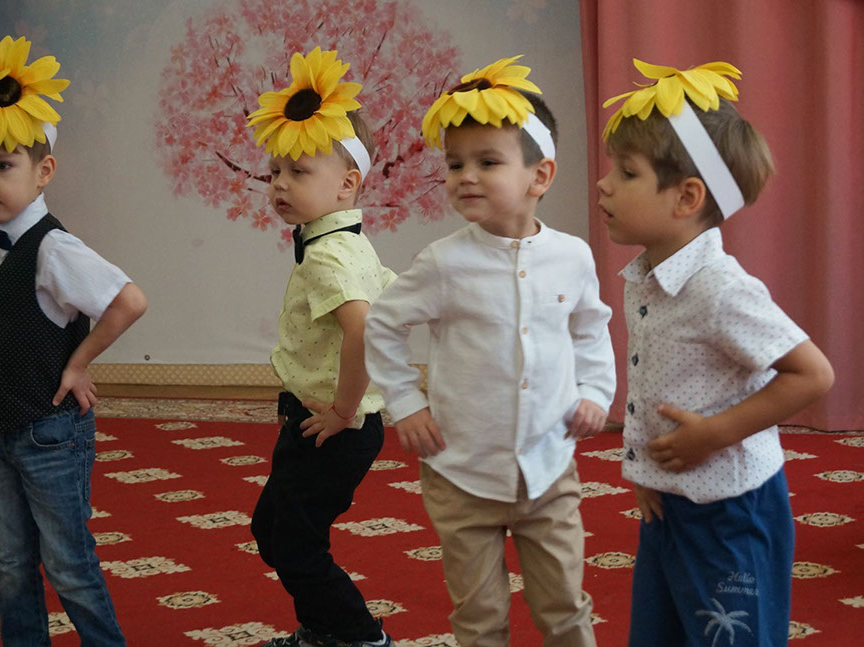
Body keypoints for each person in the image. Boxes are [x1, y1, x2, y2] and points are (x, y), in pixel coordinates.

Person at [365, 56, 615, 647]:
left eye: (487, 161)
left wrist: (594, 391)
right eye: (455, 163)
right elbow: (382, 325)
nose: (465, 176)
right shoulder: (444, 262)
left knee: (565, 608)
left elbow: (590, 328)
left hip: (548, 469)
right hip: (461, 474)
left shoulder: (573, 256)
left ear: (540, 175)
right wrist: (406, 402)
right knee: (479, 618)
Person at [596, 59, 834, 647]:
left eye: (626, 172)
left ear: (687, 196)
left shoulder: (720, 288)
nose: (604, 184)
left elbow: (811, 374)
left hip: (731, 511)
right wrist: (648, 473)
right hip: (670, 501)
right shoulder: (645, 276)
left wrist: (714, 435)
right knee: (663, 633)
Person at [0, 34, 147, 646]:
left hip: (50, 431)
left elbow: (128, 301)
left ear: (43, 171)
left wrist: (78, 363)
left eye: (3, 166)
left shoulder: (53, 249)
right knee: (8, 560)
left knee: (67, 562)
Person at [246, 47, 396, 647]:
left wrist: (342, 410)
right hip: (317, 420)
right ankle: (325, 628)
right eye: (275, 171)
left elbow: (363, 329)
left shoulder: (329, 254)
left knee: (293, 542)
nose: (280, 184)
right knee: (274, 531)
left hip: (334, 426)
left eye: (299, 172)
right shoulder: (342, 240)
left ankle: (358, 638)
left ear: (347, 184)